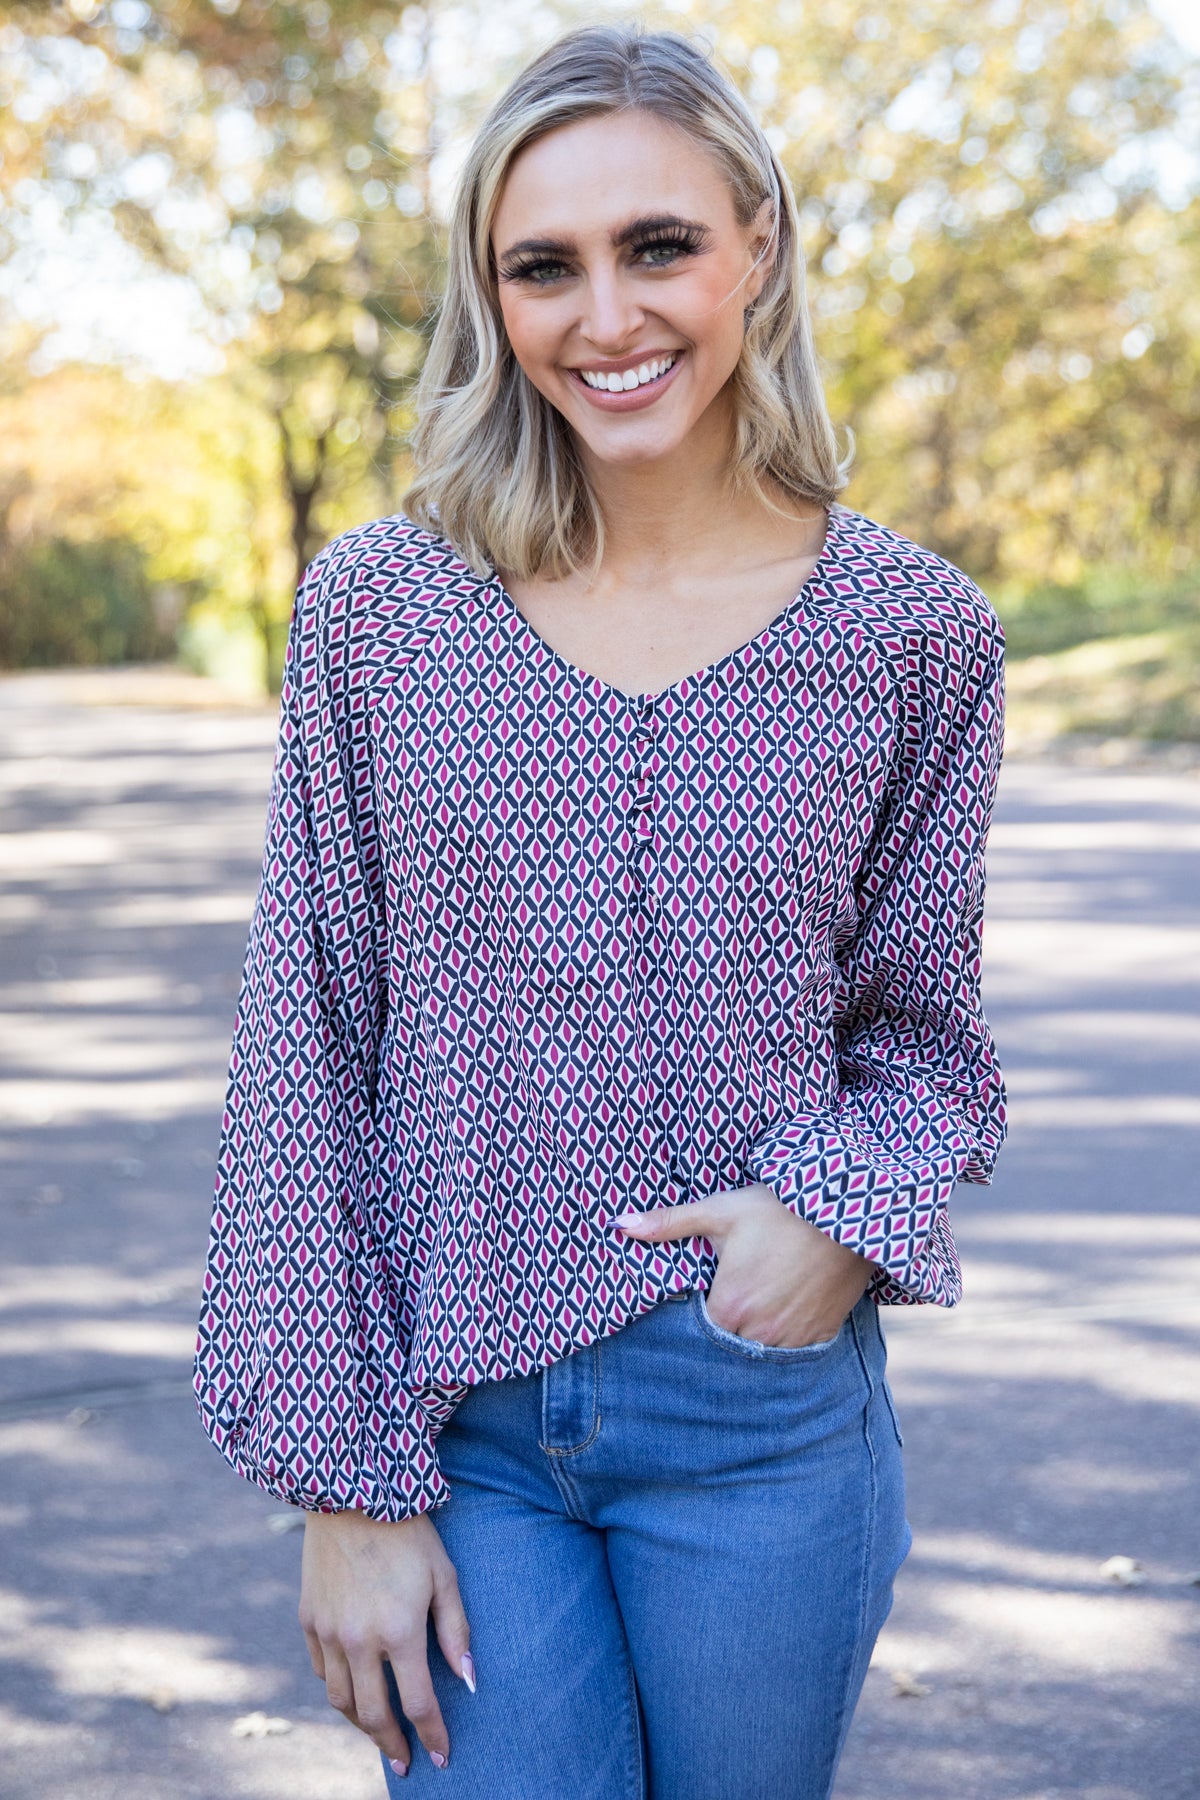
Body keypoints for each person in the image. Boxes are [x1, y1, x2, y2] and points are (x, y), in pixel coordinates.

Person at [193, 23, 1006, 1800]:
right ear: (492, 297)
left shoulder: (909, 629)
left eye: (660, 246)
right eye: (541, 266)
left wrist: (833, 1220)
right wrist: (344, 1486)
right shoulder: (381, 611)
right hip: (454, 1430)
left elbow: (926, 1043)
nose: (606, 316)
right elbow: (306, 1039)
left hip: (759, 1418)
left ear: (758, 249)